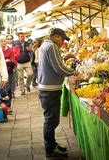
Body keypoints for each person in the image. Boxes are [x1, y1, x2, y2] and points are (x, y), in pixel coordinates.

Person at [37, 28, 75, 158]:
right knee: (51, 120)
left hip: (47, 88)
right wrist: (73, 73)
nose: (62, 42)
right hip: (50, 89)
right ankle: (50, 150)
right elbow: (58, 68)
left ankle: (52, 144)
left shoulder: (45, 45)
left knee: (52, 119)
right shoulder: (51, 46)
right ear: (55, 37)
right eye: (62, 39)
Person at [0, 35, 17, 111]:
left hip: (9, 72)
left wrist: (5, 62)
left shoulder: (10, 50)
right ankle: (2, 105)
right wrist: (6, 60)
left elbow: (12, 62)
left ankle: (8, 106)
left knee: (8, 89)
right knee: (1, 89)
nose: (3, 42)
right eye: (1, 41)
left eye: (4, 41)